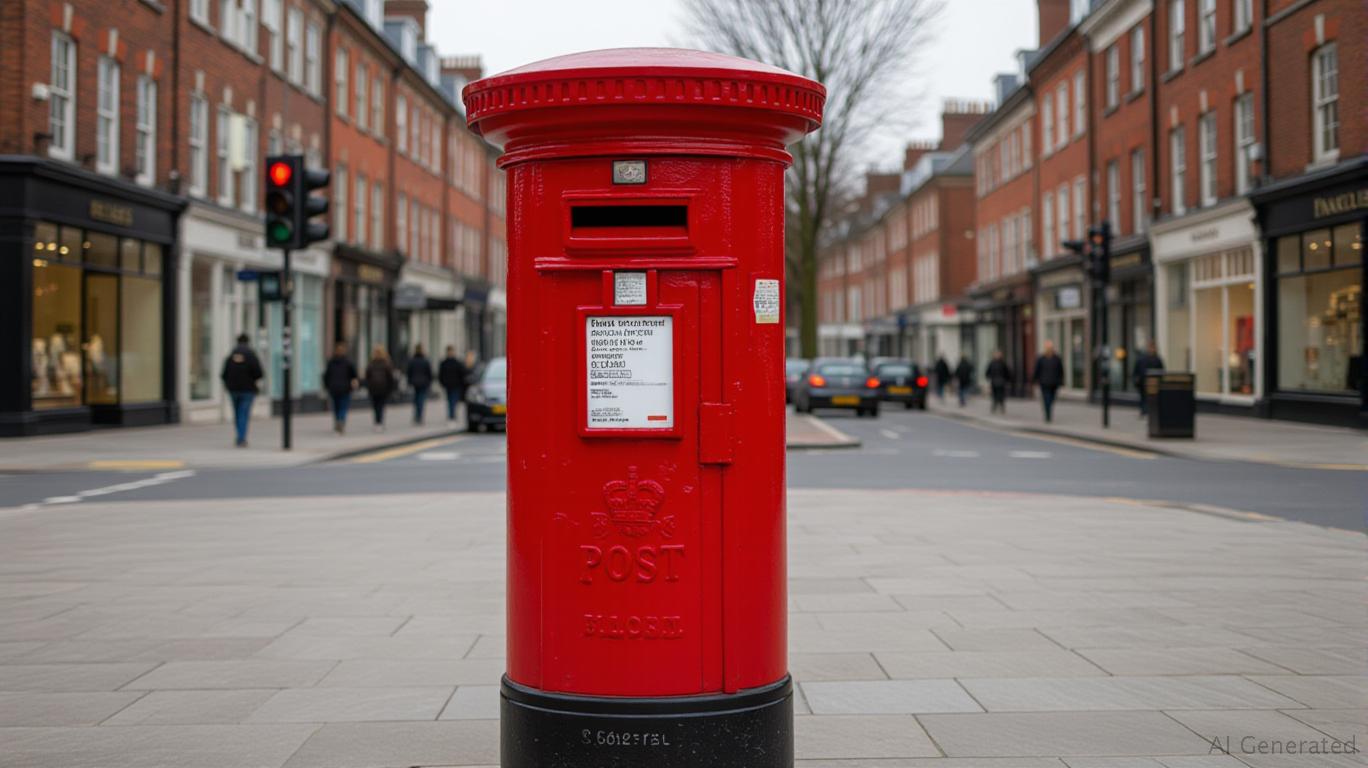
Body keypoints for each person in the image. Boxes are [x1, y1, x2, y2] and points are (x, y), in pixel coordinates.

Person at [220, 333, 264, 448]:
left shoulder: (231, 356)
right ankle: (241, 438)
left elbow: (224, 374)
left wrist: (229, 383)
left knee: (237, 413)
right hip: (248, 390)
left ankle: (239, 435)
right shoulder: (251, 355)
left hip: (233, 389)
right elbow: (259, 373)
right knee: (243, 414)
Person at [322, 341, 359, 434]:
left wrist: (327, 386)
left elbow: (326, 376)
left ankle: (338, 420)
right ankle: (341, 420)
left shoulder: (331, 362)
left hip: (333, 388)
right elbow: (354, 375)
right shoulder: (348, 362)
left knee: (336, 406)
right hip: (345, 388)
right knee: (343, 406)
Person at [1031, 340, 1065, 423]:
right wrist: (1034, 380)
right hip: (1044, 382)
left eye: (1050, 347)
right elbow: (1037, 370)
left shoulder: (1056, 358)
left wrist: (1061, 380)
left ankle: (1048, 411)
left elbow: (1060, 370)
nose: (1049, 349)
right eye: (1048, 348)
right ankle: (1048, 414)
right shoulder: (1041, 358)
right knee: (1046, 398)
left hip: (1054, 382)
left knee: (1052, 398)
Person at [364, 345, 397, 432]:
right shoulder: (386, 363)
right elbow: (390, 377)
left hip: (373, 388)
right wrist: (391, 388)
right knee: (381, 406)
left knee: (375, 406)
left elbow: (367, 376)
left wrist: (368, 386)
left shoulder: (371, 363)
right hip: (383, 388)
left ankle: (377, 422)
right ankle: (380, 422)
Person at [1131, 340, 1164, 418]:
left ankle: (1149, 411)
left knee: (1152, 398)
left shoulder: (1157, 359)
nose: (1152, 349)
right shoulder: (1142, 359)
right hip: (1143, 382)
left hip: (1154, 383)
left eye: (1153, 348)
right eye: (1151, 347)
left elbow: (1161, 371)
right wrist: (1136, 379)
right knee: (1143, 397)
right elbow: (1136, 370)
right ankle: (1144, 411)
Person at [438, 345, 470, 424]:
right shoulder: (445, 363)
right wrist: (442, 383)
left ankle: (452, 415)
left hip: (456, 385)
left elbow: (463, 373)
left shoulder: (456, 362)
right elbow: (441, 374)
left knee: (454, 400)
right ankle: (452, 416)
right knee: (450, 401)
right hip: (449, 385)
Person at [406, 344, 435, 424]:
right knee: (421, 399)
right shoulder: (425, 360)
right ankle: (419, 416)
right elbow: (429, 372)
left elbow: (409, 372)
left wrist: (409, 381)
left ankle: (416, 415)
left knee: (416, 398)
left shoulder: (412, 360)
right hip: (423, 382)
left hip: (415, 382)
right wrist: (429, 382)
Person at [985, 349, 1012, 414]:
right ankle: (994, 406)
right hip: (994, 381)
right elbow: (987, 372)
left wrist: (1008, 380)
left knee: (1001, 395)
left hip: (1001, 381)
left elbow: (1007, 372)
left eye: (999, 354)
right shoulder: (992, 363)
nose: (997, 355)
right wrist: (989, 378)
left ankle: (1002, 407)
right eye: (996, 354)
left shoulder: (1003, 363)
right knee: (994, 395)